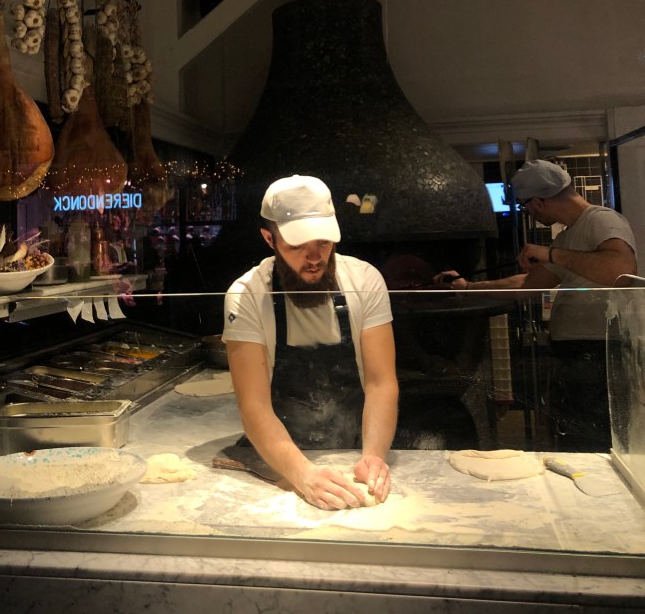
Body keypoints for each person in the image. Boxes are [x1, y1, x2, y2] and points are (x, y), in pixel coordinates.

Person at [223, 175, 399, 510]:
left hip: (355, 453)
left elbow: (381, 383)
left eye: (323, 242)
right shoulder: (246, 296)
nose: (315, 257)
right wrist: (302, 474)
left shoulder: (365, 280)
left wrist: (373, 457)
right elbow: (254, 405)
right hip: (279, 461)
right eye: (297, 246)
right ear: (269, 239)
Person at [435, 159, 637, 450]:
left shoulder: (602, 220)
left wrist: (551, 254)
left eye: (524, 206)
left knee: (596, 440)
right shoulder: (568, 235)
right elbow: (526, 285)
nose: (527, 212)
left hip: (600, 351)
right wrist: (467, 288)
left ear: (538, 202)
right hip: (577, 354)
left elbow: (621, 270)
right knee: (576, 437)